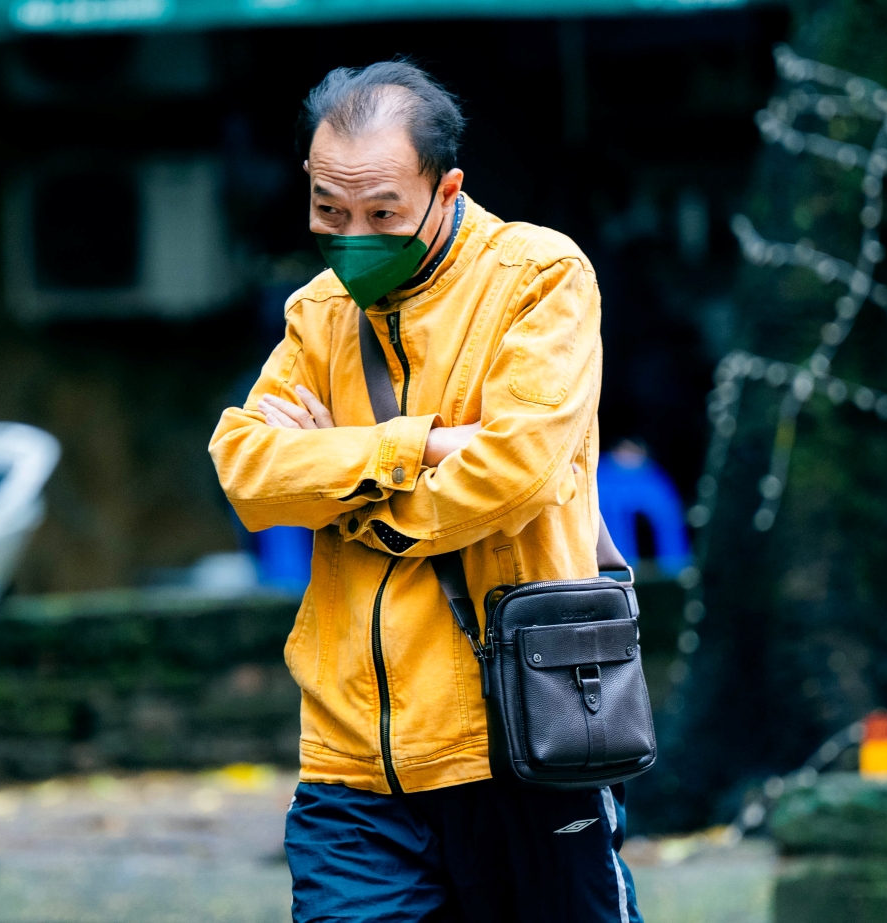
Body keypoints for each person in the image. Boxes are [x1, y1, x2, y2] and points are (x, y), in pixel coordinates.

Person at [209, 60, 641, 923]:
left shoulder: (539, 278)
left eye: (382, 214)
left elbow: (511, 474)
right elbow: (247, 471)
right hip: (352, 762)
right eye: (329, 210)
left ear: (446, 189)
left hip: (520, 735)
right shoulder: (317, 315)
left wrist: (342, 485)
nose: (352, 236)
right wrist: (425, 445)